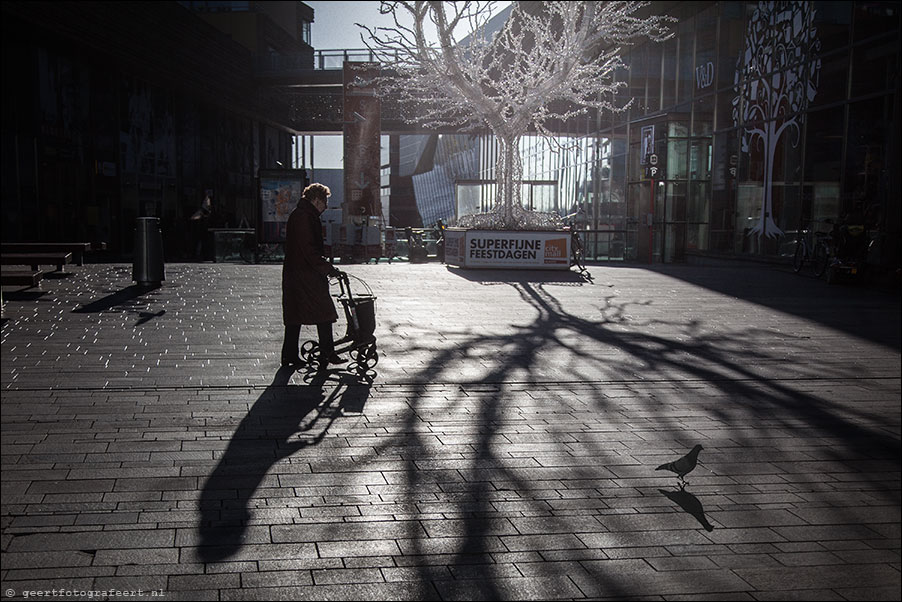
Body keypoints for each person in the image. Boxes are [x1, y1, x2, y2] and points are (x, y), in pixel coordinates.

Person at [281, 183, 345, 369]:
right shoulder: (304, 217)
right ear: (316, 200)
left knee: (295, 315)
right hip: (305, 275)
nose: (325, 206)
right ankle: (328, 352)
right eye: (324, 202)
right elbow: (309, 249)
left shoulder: (302, 214)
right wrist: (327, 268)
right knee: (324, 312)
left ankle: (289, 355)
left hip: (298, 274)